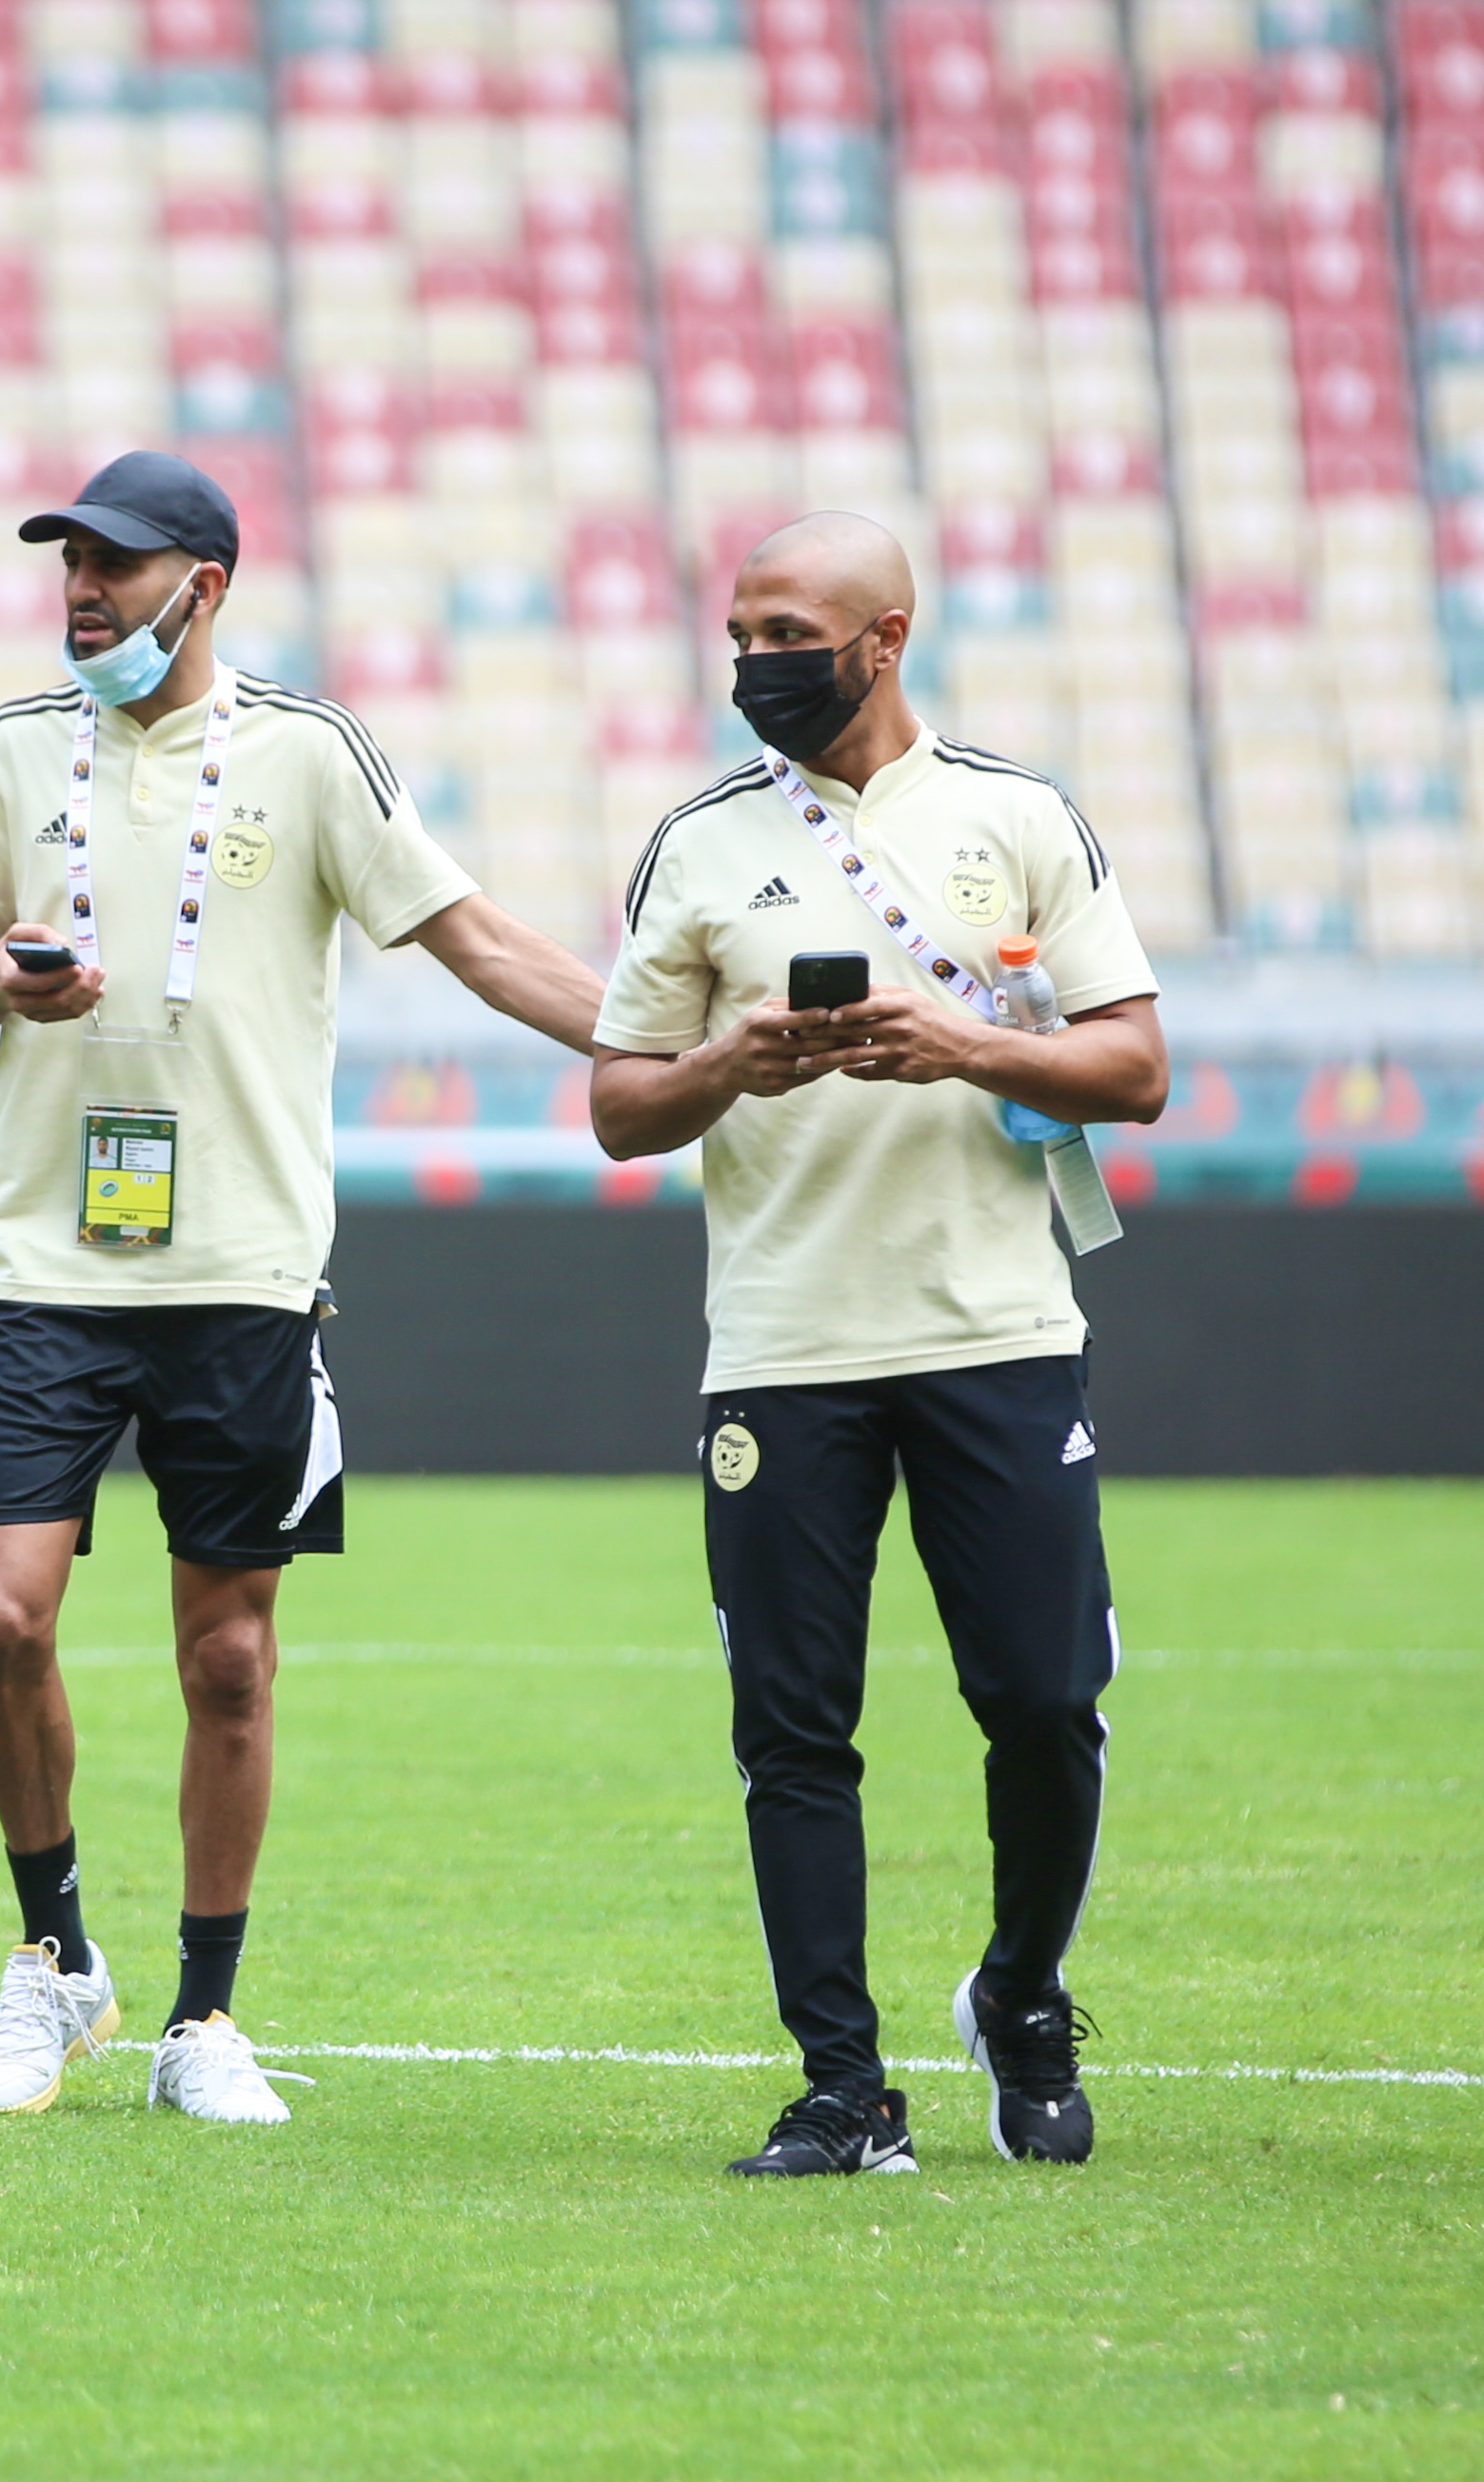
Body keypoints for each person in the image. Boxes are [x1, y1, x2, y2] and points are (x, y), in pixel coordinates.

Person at [0, 449, 603, 2121]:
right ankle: (53, 1964)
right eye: (66, 562)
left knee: (228, 1660)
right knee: (1, 1614)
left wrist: (671, 1043)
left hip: (242, 1273)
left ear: (202, 585)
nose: (80, 590)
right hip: (42, 1269)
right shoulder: (11, 750)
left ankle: (203, 2022)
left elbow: (474, 938)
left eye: (114, 566)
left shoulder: (307, 754)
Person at [587, 511, 1169, 2177]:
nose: (751, 660)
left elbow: (1131, 1070)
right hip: (780, 1344)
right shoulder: (695, 845)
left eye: (783, 629)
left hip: (996, 1332)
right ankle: (841, 2084)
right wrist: (733, 1066)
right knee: (789, 1725)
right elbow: (623, 1103)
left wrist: (960, 1043)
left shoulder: (1018, 815)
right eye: (738, 630)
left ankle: (1024, 1990)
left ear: (882, 636)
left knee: (1046, 1698)